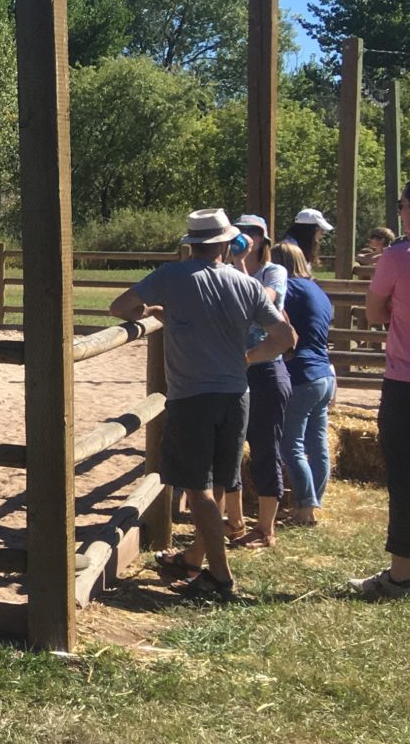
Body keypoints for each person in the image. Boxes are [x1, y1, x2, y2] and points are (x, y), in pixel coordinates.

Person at [111, 208, 296, 603]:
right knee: (216, 485)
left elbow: (120, 307)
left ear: (191, 244)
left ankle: (220, 578)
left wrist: (150, 311)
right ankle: (196, 561)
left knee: (197, 490)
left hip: (192, 396)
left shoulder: (172, 277)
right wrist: (249, 358)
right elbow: (285, 337)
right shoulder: (246, 285)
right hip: (236, 394)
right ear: (227, 244)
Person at [356, 192, 410, 600]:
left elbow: (374, 313)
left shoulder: (396, 256)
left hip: (404, 383)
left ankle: (400, 576)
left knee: (404, 477)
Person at [231, 216, 290, 548]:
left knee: (266, 448)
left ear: (264, 240)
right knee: (230, 448)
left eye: (251, 232)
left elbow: (258, 303)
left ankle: (266, 529)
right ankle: (235, 521)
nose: (245, 237)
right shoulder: (226, 267)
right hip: (236, 369)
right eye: (239, 231)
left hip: (267, 369)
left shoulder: (274, 272)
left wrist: (238, 263)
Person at [274, 240, 334, 529]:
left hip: (302, 373)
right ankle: (313, 502)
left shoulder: (290, 290)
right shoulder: (318, 290)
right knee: (317, 442)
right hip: (324, 375)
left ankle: (306, 505)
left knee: (290, 444)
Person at [283, 207, 332, 275]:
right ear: (311, 230)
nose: (323, 233)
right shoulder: (288, 249)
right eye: (320, 228)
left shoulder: (299, 246)